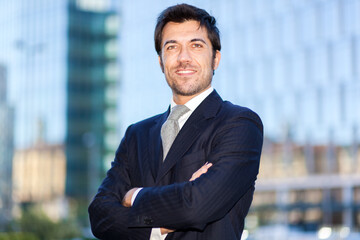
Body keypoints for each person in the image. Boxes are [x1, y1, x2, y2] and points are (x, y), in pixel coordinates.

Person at [88, 3, 263, 240]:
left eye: (196, 45)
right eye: (172, 47)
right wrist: (156, 227)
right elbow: (100, 217)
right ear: (161, 62)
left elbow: (196, 207)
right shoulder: (136, 135)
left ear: (216, 59)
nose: (184, 58)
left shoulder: (239, 124)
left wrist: (136, 196)